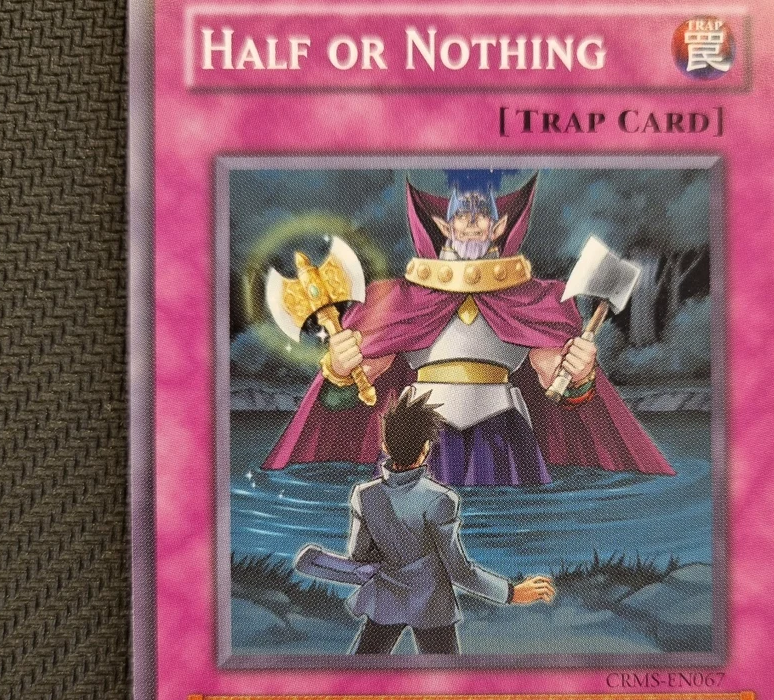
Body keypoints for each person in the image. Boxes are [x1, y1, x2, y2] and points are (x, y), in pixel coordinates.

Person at [264, 175, 674, 485]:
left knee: (509, 525)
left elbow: (557, 382)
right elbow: (351, 394)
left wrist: (580, 375)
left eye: (483, 214)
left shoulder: (538, 298)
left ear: (500, 226)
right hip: (420, 429)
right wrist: (339, 369)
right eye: (463, 213)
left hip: (501, 427)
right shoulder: (395, 298)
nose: (473, 222)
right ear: (444, 226)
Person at [342, 390, 554, 654]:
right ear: (426, 449)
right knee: (446, 676)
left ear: (385, 445)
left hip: (384, 601)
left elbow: (358, 554)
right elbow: (459, 571)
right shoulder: (441, 499)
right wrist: (511, 593)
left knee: (360, 671)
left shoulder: (363, 494)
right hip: (432, 607)